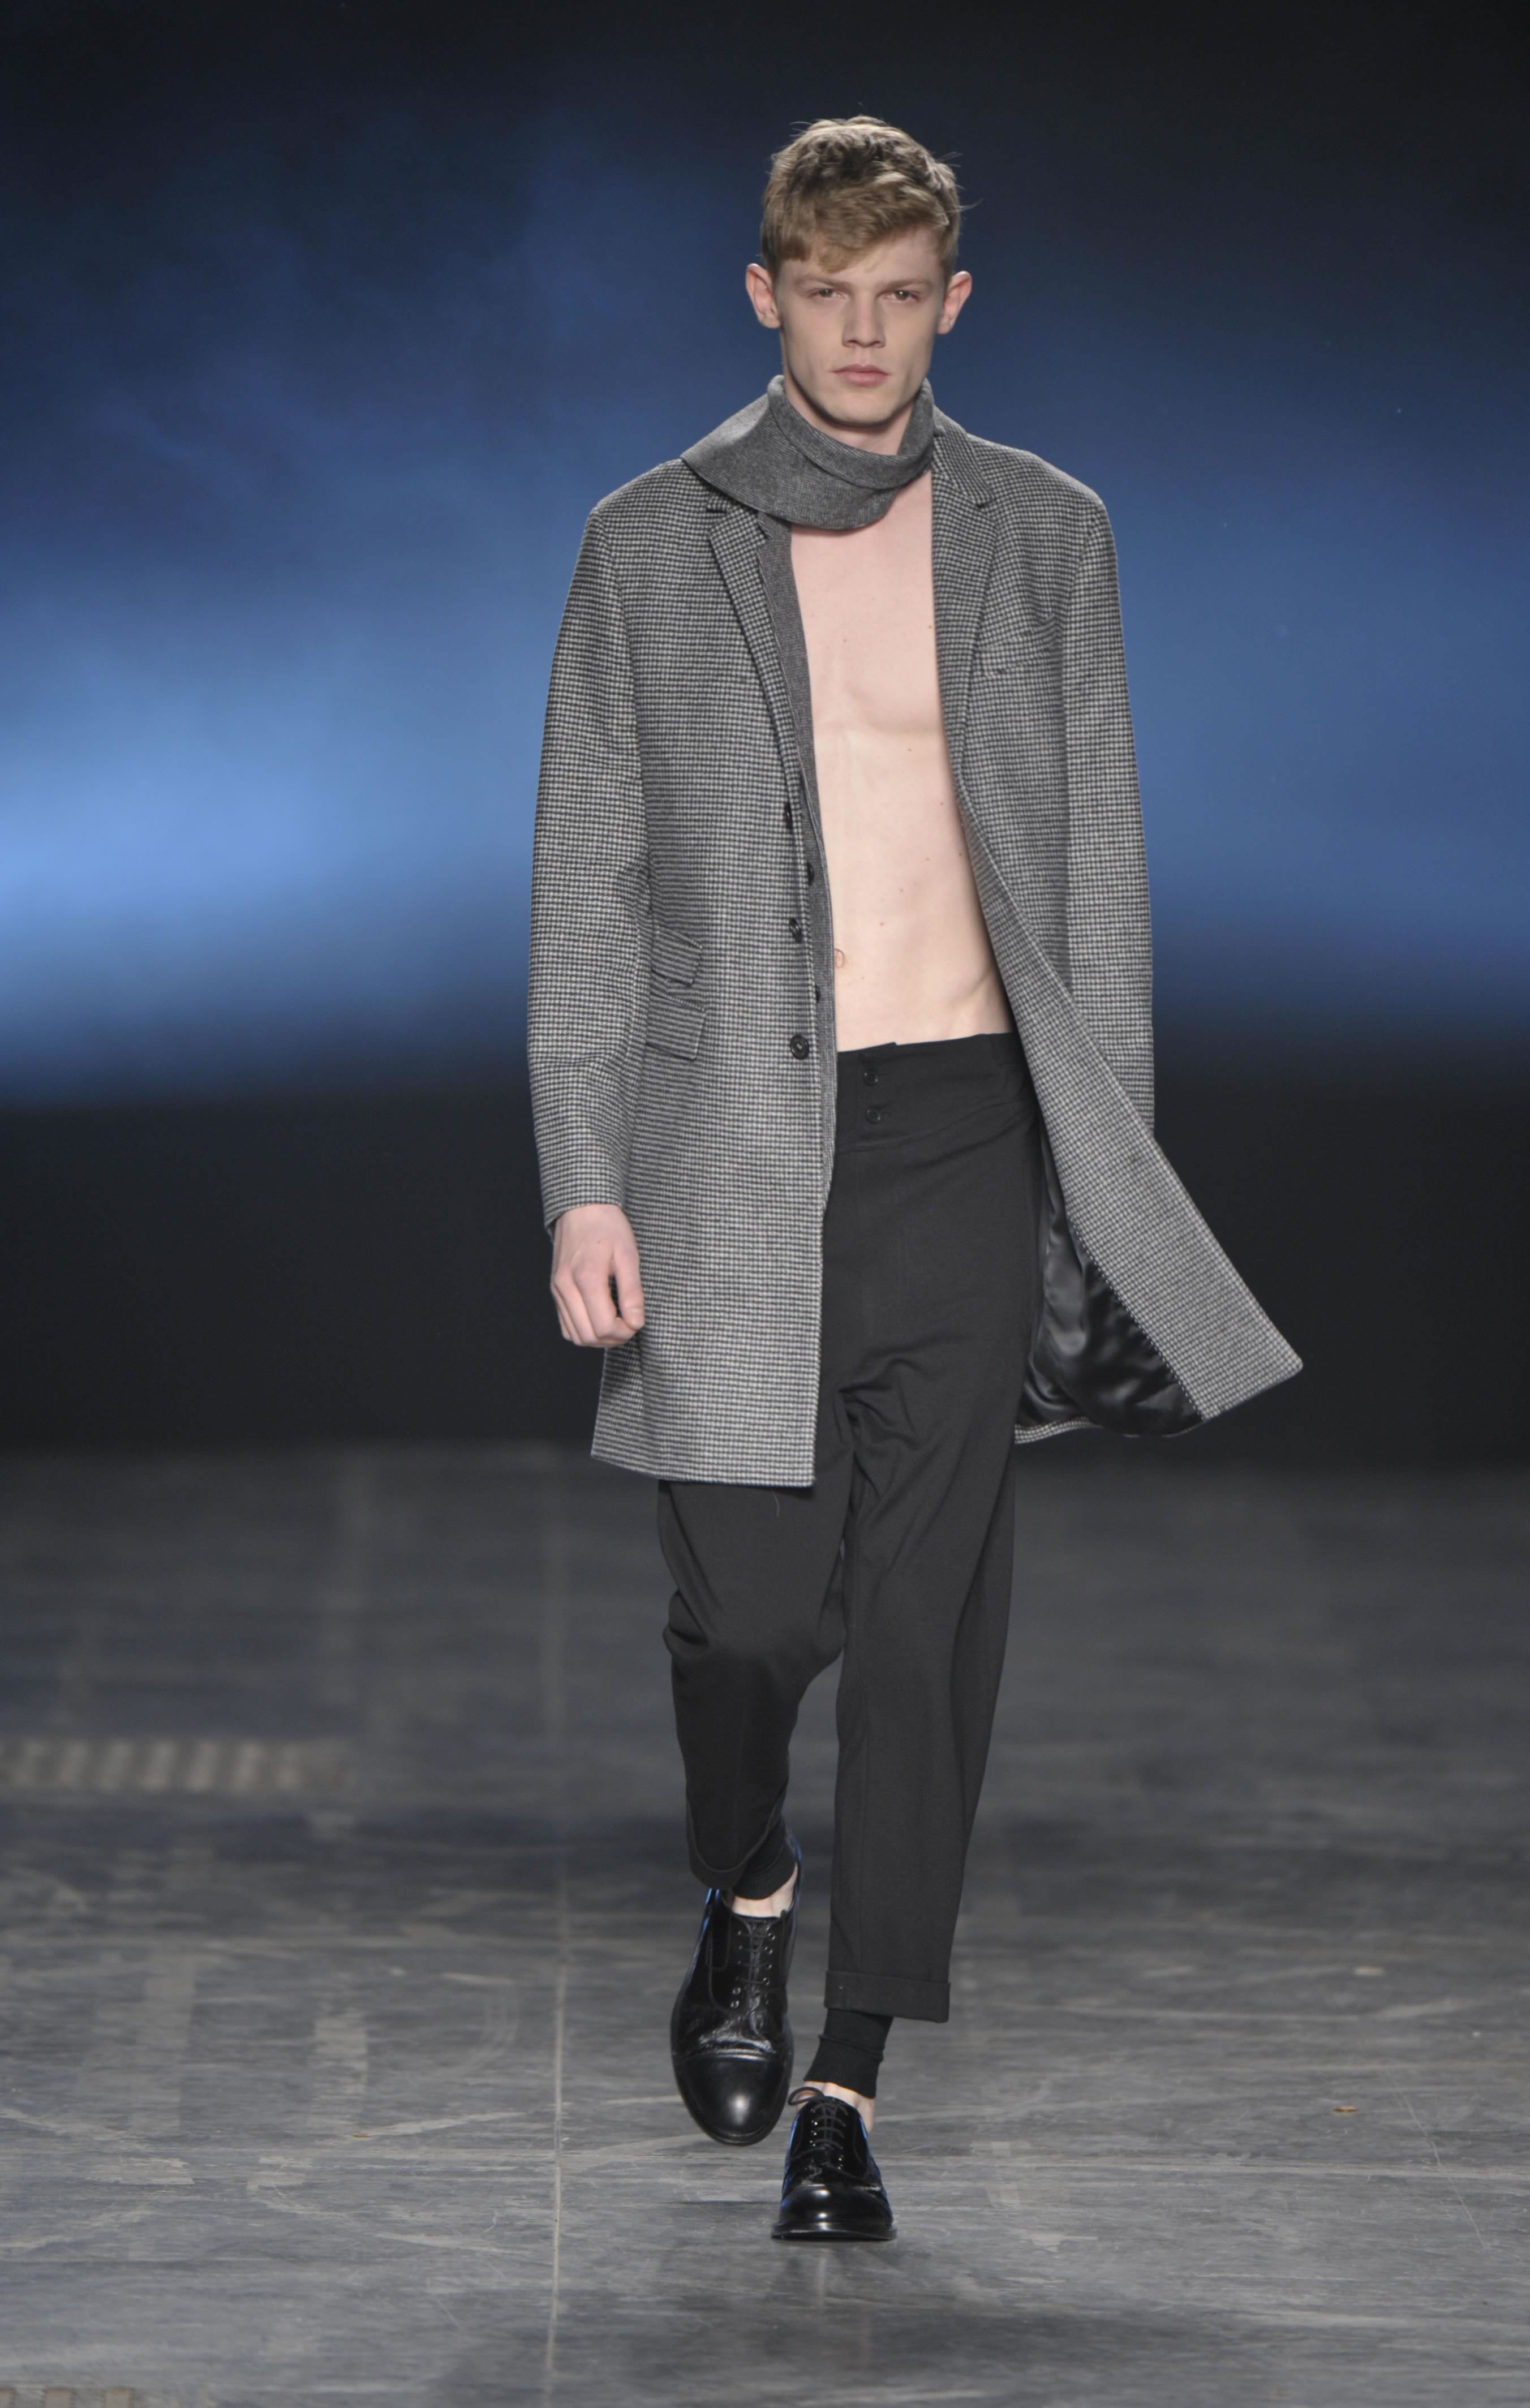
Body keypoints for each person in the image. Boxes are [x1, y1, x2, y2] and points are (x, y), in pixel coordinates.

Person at [527, 115, 1298, 2243]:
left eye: (899, 297)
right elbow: (588, 889)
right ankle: (746, 1883)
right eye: (824, 294)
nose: (861, 336)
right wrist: (584, 1180)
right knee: (748, 1618)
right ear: (762, 297)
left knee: (926, 1634)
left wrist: (1101, 1185)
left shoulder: (1048, 533)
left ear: (953, 303)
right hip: (725, 1150)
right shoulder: (647, 543)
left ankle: (847, 2086)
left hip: (967, 1129)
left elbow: (1098, 878)